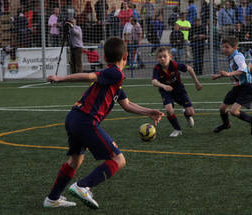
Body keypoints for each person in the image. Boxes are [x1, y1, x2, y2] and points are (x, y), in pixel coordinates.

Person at [43, 37, 164, 209]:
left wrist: (149, 112)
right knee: (118, 159)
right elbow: (90, 75)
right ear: (126, 56)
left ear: (105, 58)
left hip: (74, 117)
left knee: (75, 161)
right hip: (85, 121)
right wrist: (60, 78)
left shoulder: (114, 81)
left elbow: (126, 104)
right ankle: (83, 186)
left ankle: (52, 199)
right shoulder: (115, 73)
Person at [211, 36, 252, 134]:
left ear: (235, 48)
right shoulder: (230, 57)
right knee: (222, 108)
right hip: (237, 87)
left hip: (246, 87)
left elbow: (242, 70)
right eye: (223, 47)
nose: (224, 49)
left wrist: (228, 74)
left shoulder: (238, 56)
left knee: (234, 111)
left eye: (227, 47)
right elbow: (234, 72)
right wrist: (219, 75)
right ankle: (226, 124)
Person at [151, 46, 202, 137]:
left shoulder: (174, 65)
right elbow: (154, 81)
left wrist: (196, 82)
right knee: (169, 109)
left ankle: (186, 115)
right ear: (157, 59)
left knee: (191, 112)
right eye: (160, 57)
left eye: (164, 56)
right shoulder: (157, 68)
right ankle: (177, 129)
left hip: (179, 89)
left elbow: (190, 69)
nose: (162, 59)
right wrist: (164, 86)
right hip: (165, 91)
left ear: (170, 57)